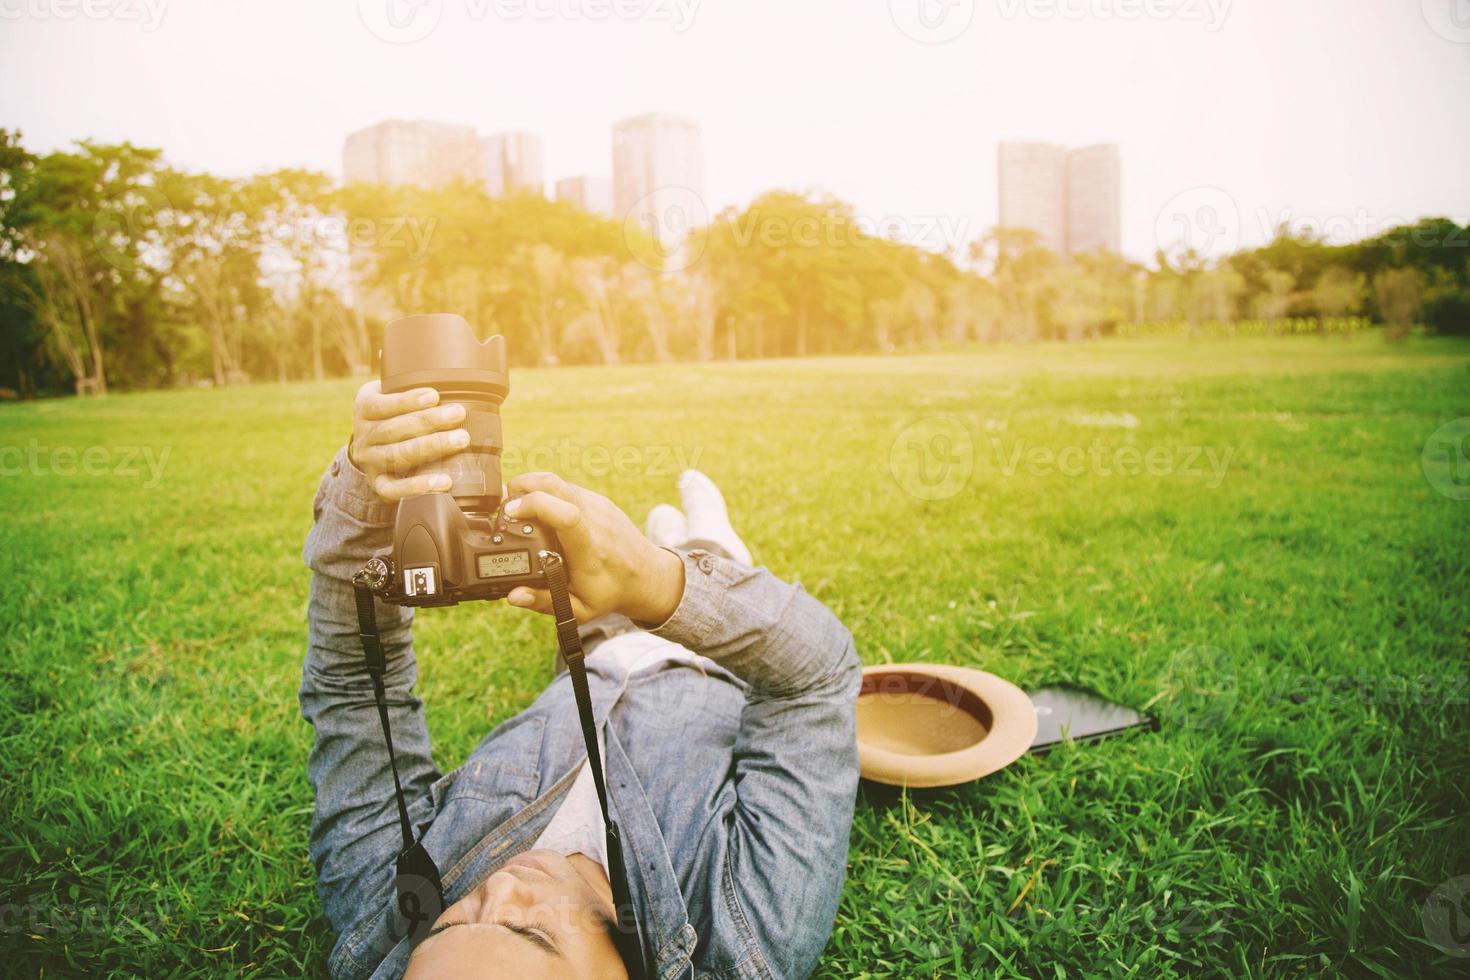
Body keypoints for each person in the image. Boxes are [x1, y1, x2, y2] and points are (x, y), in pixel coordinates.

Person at [301, 381, 862, 979]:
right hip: (711, 663)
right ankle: (703, 539)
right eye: (530, 929)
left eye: (448, 920)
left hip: (587, 647)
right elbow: (812, 679)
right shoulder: (747, 938)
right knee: (711, 558)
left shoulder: (381, 915)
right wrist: (650, 578)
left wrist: (367, 482)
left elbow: (354, 688)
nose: (501, 885)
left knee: (607, 589)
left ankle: (678, 541)